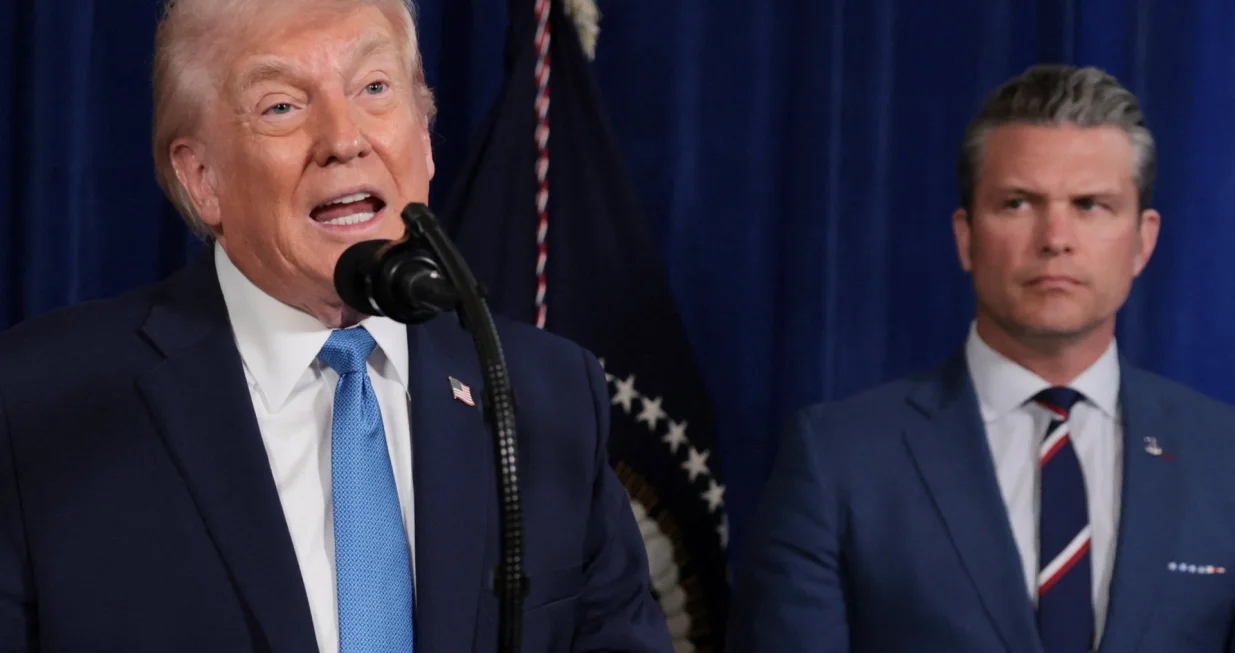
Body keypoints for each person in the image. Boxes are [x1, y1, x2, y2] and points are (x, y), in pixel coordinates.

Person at [0, 1, 673, 651]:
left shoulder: (547, 395)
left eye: (374, 87)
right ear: (202, 178)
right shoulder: (38, 405)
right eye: (282, 106)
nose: (345, 140)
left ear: (425, 137)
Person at [728, 64, 1235, 653]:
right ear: (966, 237)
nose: (1055, 237)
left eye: (1091, 205)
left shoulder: (1224, 458)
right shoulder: (836, 460)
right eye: (1019, 203)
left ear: (1143, 241)